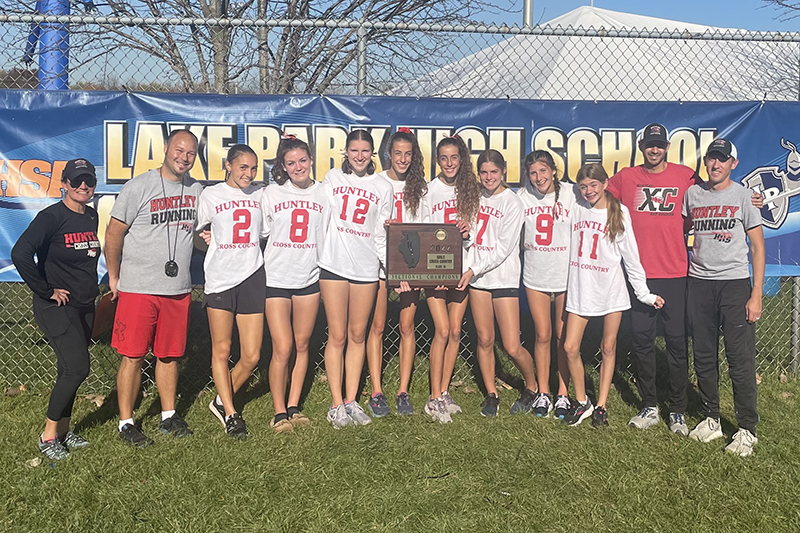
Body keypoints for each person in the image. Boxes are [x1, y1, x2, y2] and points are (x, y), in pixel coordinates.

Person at [609, 123, 762, 434]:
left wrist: (752, 199)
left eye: (660, 144)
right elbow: (598, 196)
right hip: (642, 275)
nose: (654, 149)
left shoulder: (686, 178)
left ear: (667, 147)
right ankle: (653, 405)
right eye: (649, 144)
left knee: (681, 344)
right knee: (644, 342)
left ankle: (682, 410)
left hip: (681, 274)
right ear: (642, 147)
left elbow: (724, 193)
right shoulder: (629, 178)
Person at [105, 129, 203, 447]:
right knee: (133, 356)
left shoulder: (197, 190)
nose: (184, 157)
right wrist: (114, 277)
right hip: (139, 287)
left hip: (177, 288)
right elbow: (114, 233)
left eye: (190, 153)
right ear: (165, 149)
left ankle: (168, 415)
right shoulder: (139, 186)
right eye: (178, 150)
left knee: (170, 355)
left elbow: (197, 236)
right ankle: (126, 422)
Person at [562, 163, 664, 427]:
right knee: (570, 347)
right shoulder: (576, 208)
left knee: (608, 347)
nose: (588, 191)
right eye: (583, 186)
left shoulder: (619, 213)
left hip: (610, 290)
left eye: (594, 185)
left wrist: (644, 293)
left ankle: (601, 406)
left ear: (605, 184)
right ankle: (582, 400)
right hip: (581, 288)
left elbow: (631, 256)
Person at [11, 159, 100, 460]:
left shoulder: (91, 217)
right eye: (76, 182)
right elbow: (20, 253)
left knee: (67, 370)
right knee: (78, 368)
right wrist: (46, 290)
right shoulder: (51, 217)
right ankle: (48, 437)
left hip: (85, 304)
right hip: (55, 306)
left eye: (88, 181)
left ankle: (63, 431)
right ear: (64, 184)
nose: (83, 187)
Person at [683, 139, 764, 457]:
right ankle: (712, 419)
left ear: (733, 163)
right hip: (699, 284)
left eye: (721, 160)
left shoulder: (745, 196)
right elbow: (682, 225)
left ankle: (747, 429)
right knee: (703, 356)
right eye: (710, 159)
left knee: (739, 361)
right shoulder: (693, 194)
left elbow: (757, 246)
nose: (714, 165)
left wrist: (755, 294)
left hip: (734, 286)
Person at [318, 129, 393, 428]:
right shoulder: (332, 178)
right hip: (335, 266)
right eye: (354, 150)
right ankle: (336, 403)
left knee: (358, 336)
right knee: (337, 336)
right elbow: (318, 216)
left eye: (365, 151)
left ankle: (351, 400)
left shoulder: (382, 187)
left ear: (372, 154)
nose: (359, 156)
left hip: (366, 269)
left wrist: (388, 269)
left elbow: (380, 234)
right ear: (345, 152)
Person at [457, 149, 536, 417]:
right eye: (483, 172)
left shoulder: (512, 203)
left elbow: (503, 248)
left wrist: (472, 269)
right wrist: (466, 238)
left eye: (494, 171)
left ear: (503, 171)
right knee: (484, 338)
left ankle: (533, 386)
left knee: (512, 345)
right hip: (479, 279)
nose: (488, 177)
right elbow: (472, 239)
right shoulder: (474, 198)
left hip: (502, 277)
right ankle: (491, 393)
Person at [261, 135, 329, 432]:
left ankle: (293, 405)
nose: (298, 167)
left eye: (302, 160)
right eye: (291, 163)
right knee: (283, 347)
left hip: (308, 278)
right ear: (283, 167)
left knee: (303, 345)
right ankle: (278, 412)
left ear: (311, 160)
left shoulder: (325, 193)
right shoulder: (271, 194)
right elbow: (257, 231)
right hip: (276, 278)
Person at [197, 144, 264, 439]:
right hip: (220, 278)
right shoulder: (210, 195)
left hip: (251, 275)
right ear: (228, 165)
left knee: (251, 356)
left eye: (252, 168)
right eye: (242, 168)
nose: (248, 174)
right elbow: (197, 234)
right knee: (222, 350)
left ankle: (220, 399)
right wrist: (205, 240)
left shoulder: (260, 194)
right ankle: (232, 414)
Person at [365, 128, 429, 418]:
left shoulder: (420, 187)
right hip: (380, 265)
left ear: (414, 156)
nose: (403, 158)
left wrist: (411, 268)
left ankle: (403, 391)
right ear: (388, 154)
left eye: (408, 153)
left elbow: (425, 227)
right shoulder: (376, 183)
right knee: (377, 326)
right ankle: (376, 391)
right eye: (397, 153)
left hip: (409, 267)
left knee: (406, 327)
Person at [518, 150, 583, 418]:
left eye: (543, 171)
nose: (538, 177)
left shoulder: (572, 193)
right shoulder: (522, 197)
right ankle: (543, 392)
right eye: (533, 172)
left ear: (554, 170)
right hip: (536, 274)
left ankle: (563, 393)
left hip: (565, 276)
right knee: (542, 334)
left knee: (562, 336)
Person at [424, 135, 479, 421]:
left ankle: (444, 391)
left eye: (454, 157)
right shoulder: (428, 191)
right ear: (437, 160)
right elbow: (420, 232)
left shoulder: (471, 192)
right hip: (435, 270)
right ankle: (433, 398)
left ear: (462, 159)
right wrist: (432, 271)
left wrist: (468, 234)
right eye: (443, 158)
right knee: (442, 330)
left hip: (461, 270)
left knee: (456, 332)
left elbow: (476, 235)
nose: (449, 163)